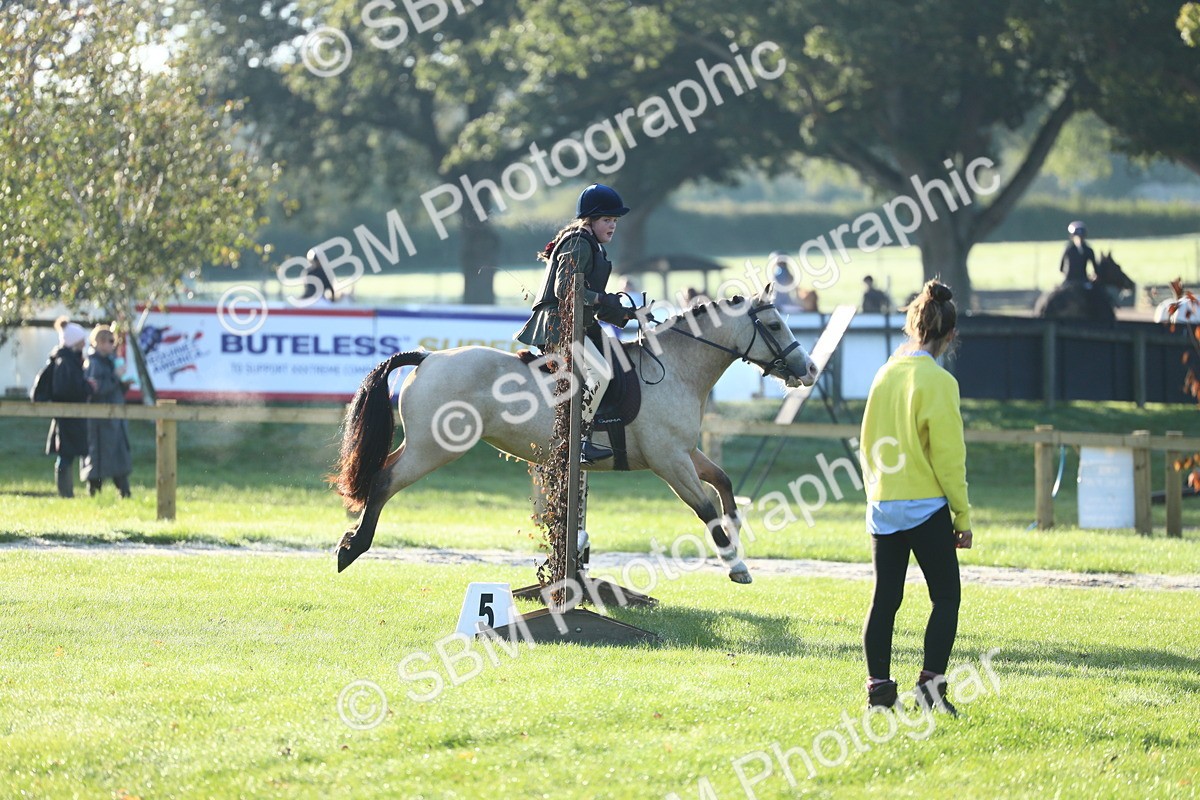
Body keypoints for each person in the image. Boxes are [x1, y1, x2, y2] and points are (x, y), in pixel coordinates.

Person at [859, 279, 973, 715]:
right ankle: (930, 687)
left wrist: (877, 492)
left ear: (914, 324)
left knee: (884, 599)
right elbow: (948, 458)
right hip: (926, 506)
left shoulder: (885, 373)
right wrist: (962, 518)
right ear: (950, 335)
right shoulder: (939, 382)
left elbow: (866, 441)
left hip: (884, 503)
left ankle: (879, 693)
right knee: (945, 597)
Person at [515, 183, 637, 463]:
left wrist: (626, 314)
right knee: (602, 373)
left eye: (615, 220)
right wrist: (602, 301)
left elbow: (590, 302)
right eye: (607, 219)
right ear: (590, 220)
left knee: (618, 362)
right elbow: (566, 290)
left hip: (577, 323)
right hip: (558, 325)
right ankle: (579, 441)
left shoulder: (592, 244)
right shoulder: (579, 242)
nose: (613, 225)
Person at [45, 317, 96, 497]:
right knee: (66, 456)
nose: (84, 344)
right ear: (74, 341)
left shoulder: (68, 360)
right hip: (68, 417)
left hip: (71, 417)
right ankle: (65, 494)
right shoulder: (65, 362)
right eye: (81, 340)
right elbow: (67, 389)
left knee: (68, 455)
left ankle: (67, 493)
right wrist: (88, 387)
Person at [81, 324, 134, 498]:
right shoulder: (93, 363)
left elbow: (113, 388)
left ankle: (124, 493)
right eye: (105, 340)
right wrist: (115, 377)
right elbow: (96, 389)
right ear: (96, 342)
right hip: (99, 420)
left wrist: (123, 384)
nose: (110, 344)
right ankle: (94, 494)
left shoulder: (111, 361)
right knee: (98, 458)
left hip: (115, 417)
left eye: (112, 340)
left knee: (120, 455)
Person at [1060, 221, 1097, 285]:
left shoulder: (1068, 249)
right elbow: (1096, 269)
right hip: (1083, 281)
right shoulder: (1088, 250)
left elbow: (1061, 268)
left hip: (1069, 281)